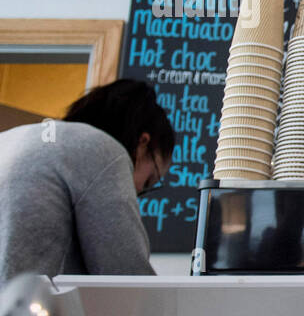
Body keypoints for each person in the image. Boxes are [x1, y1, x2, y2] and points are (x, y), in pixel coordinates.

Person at [0, 78, 174, 281]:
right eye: (147, 182)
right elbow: (127, 277)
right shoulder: (103, 150)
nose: (136, 193)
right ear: (143, 143)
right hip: (27, 308)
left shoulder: (10, 139)